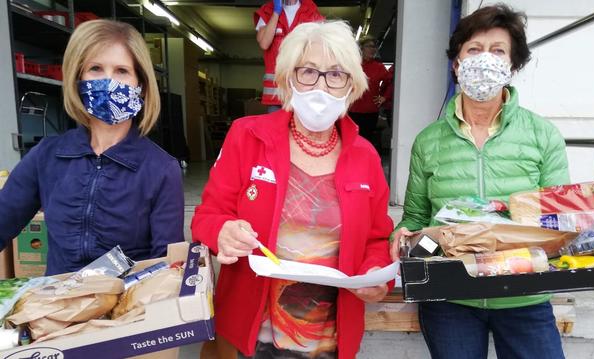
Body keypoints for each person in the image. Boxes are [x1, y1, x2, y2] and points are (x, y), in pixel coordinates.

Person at [192, 21, 393, 358]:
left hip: (328, 340)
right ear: (288, 78)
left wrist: (376, 275)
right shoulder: (248, 136)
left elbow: (376, 238)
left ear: (351, 86)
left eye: (336, 74)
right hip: (252, 336)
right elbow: (207, 217)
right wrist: (222, 231)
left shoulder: (365, 156)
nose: (321, 86)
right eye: (308, 72)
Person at [389, 5, 568, 359]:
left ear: (512, 65)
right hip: (451, 295)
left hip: (524, 294)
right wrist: (404, 233)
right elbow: (415, 217)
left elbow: (557, 219)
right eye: (473, 49)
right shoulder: (429, 141)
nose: (484, 59)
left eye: (498, 50)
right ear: (456, 64)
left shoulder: (542, 135)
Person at [0, 20, 184, 275]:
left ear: (140, 85)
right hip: (59, 304)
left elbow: (164, 263)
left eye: (122, 71)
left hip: (127, 307)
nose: (109, 81)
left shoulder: (161, 169)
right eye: (96, 68)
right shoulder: (47, 155)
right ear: (78, 77)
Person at [254, 0, 324, 113]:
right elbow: (264, 43)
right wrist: (276, 12)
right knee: (276, 129)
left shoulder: (310, 10)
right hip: (276, 94)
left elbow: (319, 47)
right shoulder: (268, 10)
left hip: (303, 90)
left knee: (299, 130)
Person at [348, 37, 392, 150]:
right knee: (352, 141)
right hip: (352, 111)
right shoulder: (352, 65)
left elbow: (391, 82)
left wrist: (384, 97)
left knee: (367, 141)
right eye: (370, 46)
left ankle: (365, 164)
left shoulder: (379, 67)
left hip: (371, 112)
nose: (373, 49)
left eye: (374, 47)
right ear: (361, 48)